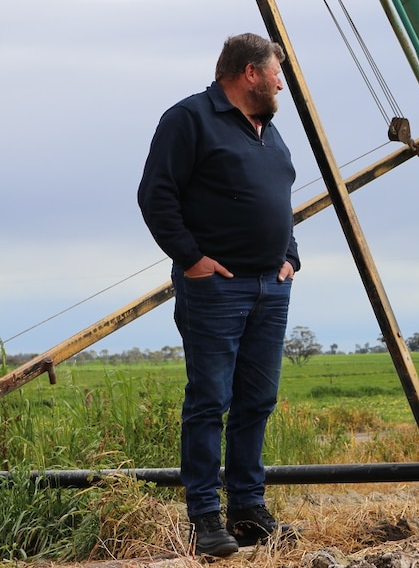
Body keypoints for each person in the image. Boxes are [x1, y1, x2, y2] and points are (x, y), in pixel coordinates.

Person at [137, 32, 300, 558]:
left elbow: (280, 201)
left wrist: (290, 255)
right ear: (249, 72)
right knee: (210, 401)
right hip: (217, 290)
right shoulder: (189, 119)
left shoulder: (269, 133)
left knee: (258, 401)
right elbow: (155, 194)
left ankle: (248, 509)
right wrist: (192, 260)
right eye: (276, 71)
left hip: (270, 289)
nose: (282, 81)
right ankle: (206, 517)